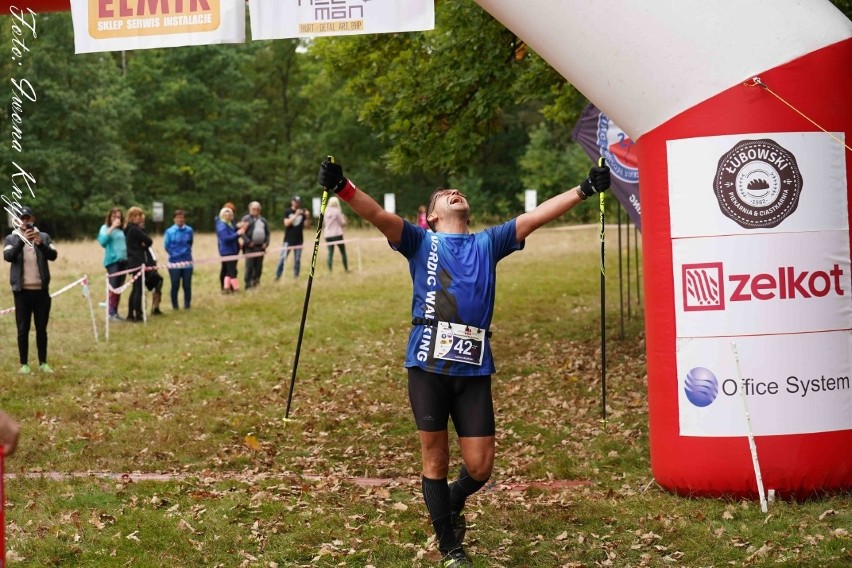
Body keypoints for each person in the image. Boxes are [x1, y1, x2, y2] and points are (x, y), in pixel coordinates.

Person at [317, 158, 610, 567]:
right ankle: (449, 546)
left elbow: (537, 216)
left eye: (460, 193)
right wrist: (342, 186)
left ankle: (449, 504)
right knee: (435, 458)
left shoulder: (489, 242)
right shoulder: (420, 242)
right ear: (433, 215)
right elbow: (377, 214)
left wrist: (585, 189)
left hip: (473, 368)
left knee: (480, 466)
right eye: (444, 194)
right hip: (426, 366)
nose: (455, 192)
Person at [4, 206, 59, 374]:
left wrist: (40, 244)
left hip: (41, 291)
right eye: (22, 218)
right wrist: (22, 241)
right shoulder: (11, 239)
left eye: (28, 218)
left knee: (41, 328)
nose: (25, 221)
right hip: (21, 292)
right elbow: (8, 256)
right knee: (23, 328)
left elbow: (53, 255)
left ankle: (43, 363)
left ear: (33, 219)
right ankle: (24, 364)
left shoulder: (43, 236)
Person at [124, 206, 163, 321]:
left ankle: (130, 314)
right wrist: (144, 245)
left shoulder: (128, 229)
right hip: (138, 261)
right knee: (139, 290)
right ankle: (139, 315)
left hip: (132, 261)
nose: (140, 218)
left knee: (135, 289)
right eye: (138, 216)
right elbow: (149, 241)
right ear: (132, 217)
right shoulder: (135, 229)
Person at [97, 207, 128, 322]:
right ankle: (110, 313)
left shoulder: (122, 230)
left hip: (123, 261)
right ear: (110, 217)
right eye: (114, 216)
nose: (116, 219)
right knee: (113, 287)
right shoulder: (105, 228)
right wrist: (112, 228)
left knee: (119, 288)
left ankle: (115, 311)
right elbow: (102, 242)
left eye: (119, 217)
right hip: (112, 262)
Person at [163, 209, 194, 310]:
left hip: (187, 261)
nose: (180, 219)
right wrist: (174, 254)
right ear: (174, 219)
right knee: (175, 284)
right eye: (178, 217)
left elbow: (190, 242)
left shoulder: (189, 230)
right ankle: (175, 305)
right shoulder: (169, 231)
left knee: (187, 284)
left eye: (182, 217)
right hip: (174, 262)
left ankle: (187, 304)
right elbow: (166, 246)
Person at [275, 195, 311, 281]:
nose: (297, 203)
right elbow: (286, 224)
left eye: (298, 202)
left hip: (299, 240)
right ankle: (278, 276)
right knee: (282, 258)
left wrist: (308, 216)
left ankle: (296, 276)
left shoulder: (303, 213)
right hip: (288, 240)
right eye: (295, 201)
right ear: (292, 202)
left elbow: (307, 226)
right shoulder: (288, 212)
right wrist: (296, 215)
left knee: (297, 259)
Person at [216, 207, 245, 293]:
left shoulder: (229, 224)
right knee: (232, 271)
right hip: (227, 251)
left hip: (233, 250)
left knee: (228, 271)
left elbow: (232, 233)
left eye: (230, 215)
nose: (228, 217)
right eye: (226, 215)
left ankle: (226, 288)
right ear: (222, 215)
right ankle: (235, 288)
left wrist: (237, 228)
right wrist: (238, 233)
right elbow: (225, 238)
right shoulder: (221, 225)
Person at [241, 201, 270, 289]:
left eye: (257, 209)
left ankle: (256, 282)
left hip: (260, 247)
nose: (255, 210)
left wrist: (266, 243)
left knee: (258, 267)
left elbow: (268, 233)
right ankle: (248, 284)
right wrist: (248, 242)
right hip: (250, 247)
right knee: (249, 266)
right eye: (253, 209)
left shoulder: (263, 220)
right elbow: (242, 233)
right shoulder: (246, 219)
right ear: (250, 209)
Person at [324, 196, 349, 272]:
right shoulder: (337, 211)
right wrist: (344, 219)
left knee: (330, 252)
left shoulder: (326, 211)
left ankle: (330, 270)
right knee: (343, 252)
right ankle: (346, 269)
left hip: (327, 234)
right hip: (337, 234)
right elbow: (342, 223)